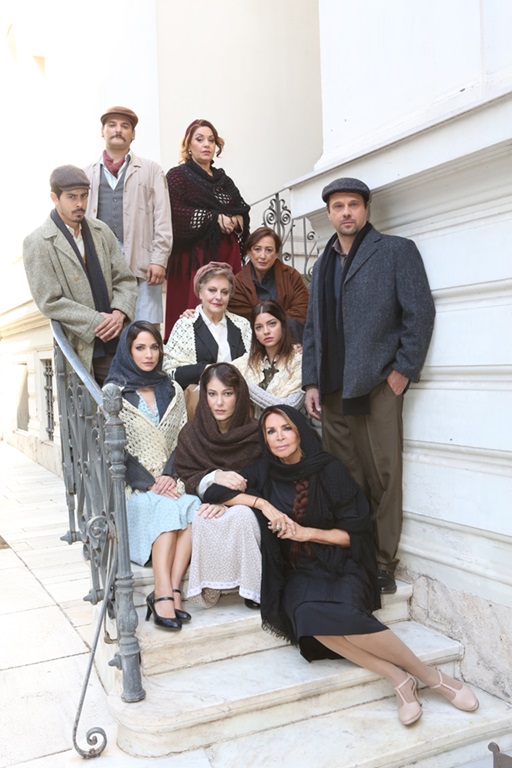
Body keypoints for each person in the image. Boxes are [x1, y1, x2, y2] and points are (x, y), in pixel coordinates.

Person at [204, 405, 479, 726]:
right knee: (307, 615)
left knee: (345, 617)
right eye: (271, 431)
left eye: (286, 428)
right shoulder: (264, 471)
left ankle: (431, 676)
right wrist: (261, 503)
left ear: (300, 431)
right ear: (264, 439)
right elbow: (214, 492)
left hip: (340, 563)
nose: (279, 437)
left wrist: (305, 532)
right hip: (299, 570)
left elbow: (355, 533)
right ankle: (398, 678)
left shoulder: (328, 469)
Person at [302, 177, 436, 594]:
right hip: (333, 388)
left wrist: (403, 371)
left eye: (353, 205)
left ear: (366, 209)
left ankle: (382, 561)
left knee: (383, 476)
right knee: (345, 477)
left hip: (378, 383)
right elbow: (312, 328)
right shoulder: (321, 265)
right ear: (329, 214)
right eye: (338, 206)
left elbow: (420, 312)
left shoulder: (395, 251)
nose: (346, 212)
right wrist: (311, 382)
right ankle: (354, 554)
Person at [104, 320, 207, 630]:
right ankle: (161, 591)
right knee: (165, 508)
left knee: (195, 509)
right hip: (133, 487)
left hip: (170, 480)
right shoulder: (114, 393)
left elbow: (183, 437)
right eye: (140, 348)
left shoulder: (170, 388)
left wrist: (168, 475)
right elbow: (114, 450)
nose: (149, 354)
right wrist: (149, 483)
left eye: (154, 347)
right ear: (128, 351)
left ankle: (173, 588)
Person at [23, 165, 137, 385]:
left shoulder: (102, 231)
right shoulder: (37, 242)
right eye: (72, 197)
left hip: (119, 339)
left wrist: (119, 313)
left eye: (84, 196)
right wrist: (96, 321)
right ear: (54, 198)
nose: (80, 204)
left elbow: (125, 279)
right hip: (82, 346)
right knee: (100, 404)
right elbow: (49, 301)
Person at [174, 363, 262, 608]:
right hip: (209, 501)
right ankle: (211, 586)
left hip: (249, 503)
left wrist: (225, 500)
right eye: (212, 394)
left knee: (241, 515)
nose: (219, 402)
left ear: (239, 395)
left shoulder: (256, 433)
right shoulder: (191, 434)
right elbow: (187, 477)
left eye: (227, 393)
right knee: (203, 517)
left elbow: (263, 479)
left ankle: (252, 588)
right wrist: (215, 476)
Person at [84, 106, 172, 326]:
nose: (118, 130)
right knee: (107, 327)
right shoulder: (87, 174)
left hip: (143, 261)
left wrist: (159, 260)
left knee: (145, 328)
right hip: (100, 261)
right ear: (102, 131)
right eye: (112, 125)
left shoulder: (151, 170)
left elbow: (163, 217)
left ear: (133, 134)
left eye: (125, 126)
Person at [164, 119, 250, 337]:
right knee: (193, 317)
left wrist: (235, 219)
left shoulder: (224, 180)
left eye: (211, 140)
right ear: (188, 145)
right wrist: (213, 218)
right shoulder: (177, 176)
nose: (206, 145)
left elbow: (242, 209)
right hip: (194, 255)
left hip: (226, 252)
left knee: (228, 310)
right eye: (199, 139)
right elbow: (175, 213)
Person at [162, 262, 251, 417]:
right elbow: (171, 372)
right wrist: (206, 370)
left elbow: (253, 365)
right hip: (199, 404)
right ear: (200, 292)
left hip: (237, 399)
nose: (218, 297)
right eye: (212, 290)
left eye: (224, 292)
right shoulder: (185, 324)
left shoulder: (241, 325)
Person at [229, 227, 310, 342]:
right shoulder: (238, 283)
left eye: (269, 250)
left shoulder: (291, 276)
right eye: (257, 249)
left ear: (276, 253)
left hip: (290, 339)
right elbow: (241, 319)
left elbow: (302, 309)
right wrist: (275, 323)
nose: (263, 256)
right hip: (254, 343)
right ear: (249, 252)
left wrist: (273, 327)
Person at [232, 299, 305, 417]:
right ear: (254, 333)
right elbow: (220, 373)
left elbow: (290, 406)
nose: (266, 331)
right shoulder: (248, 360)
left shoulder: (299, 359)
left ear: (282, 325)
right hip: (252, 427)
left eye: (272, 324)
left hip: (287, 426)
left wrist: (244, 384)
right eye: (259, 327)